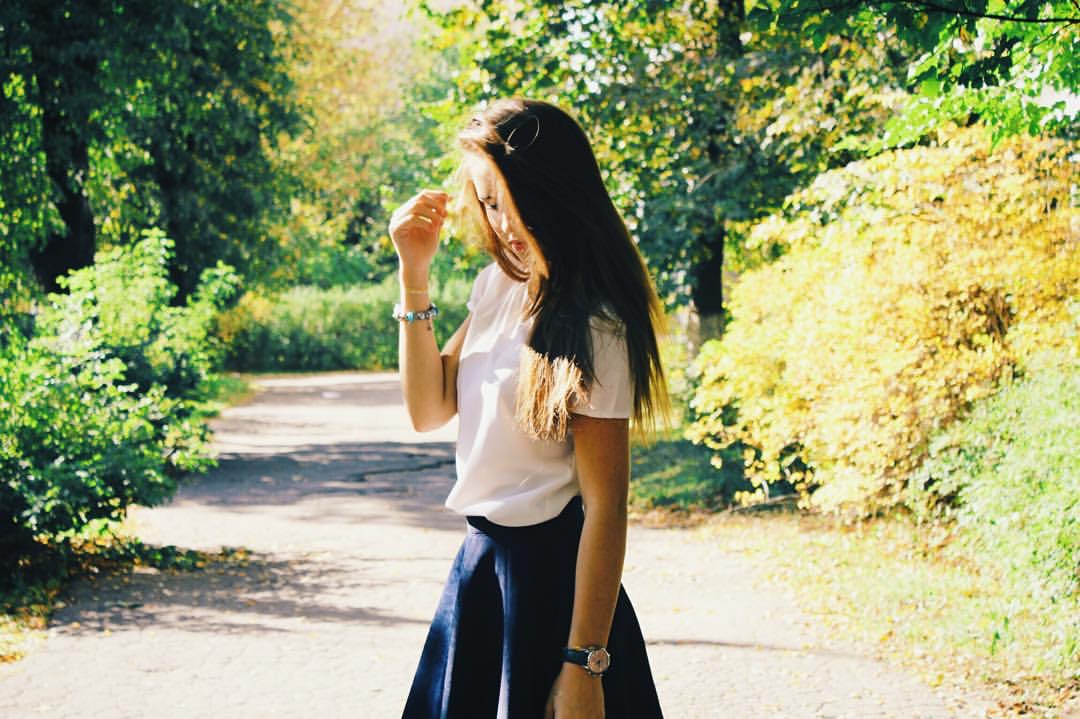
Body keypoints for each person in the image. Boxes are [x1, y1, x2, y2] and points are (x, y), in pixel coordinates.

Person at [390, 97, 670, 719]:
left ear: (553, 192)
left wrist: (585, 664)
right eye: (488, 202)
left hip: (554, 597)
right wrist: (413, 275)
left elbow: (605, 507)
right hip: (478, 575)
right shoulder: (498, 287)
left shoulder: (598, 323)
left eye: (511, 200)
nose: (503, 222)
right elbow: (428, 409)